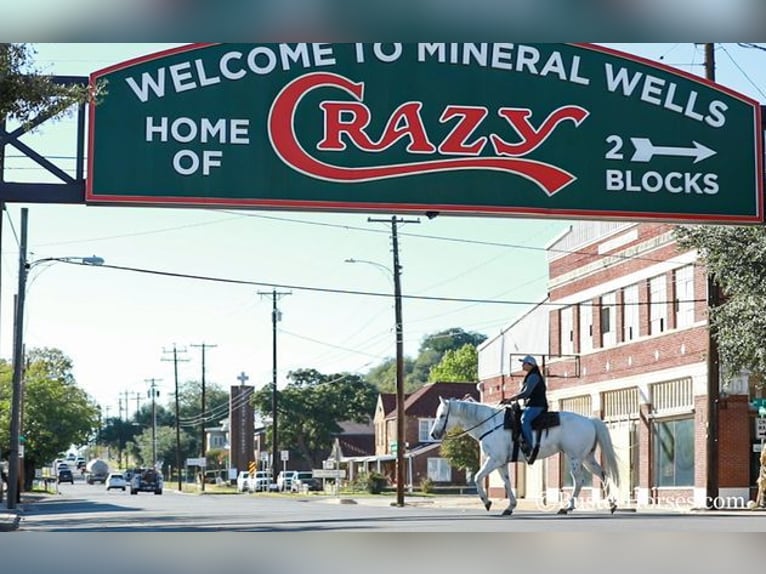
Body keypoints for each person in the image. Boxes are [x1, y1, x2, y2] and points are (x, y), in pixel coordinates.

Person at [506, 355, 548, 463]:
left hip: (537, 405)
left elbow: (526, 393)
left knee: (524, 420)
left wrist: (512, 398)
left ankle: (530, 446)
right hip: (531, 405)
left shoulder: (534, 376)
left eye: (524, 363)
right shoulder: (531, 376)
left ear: (530, 365)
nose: (522, 365)